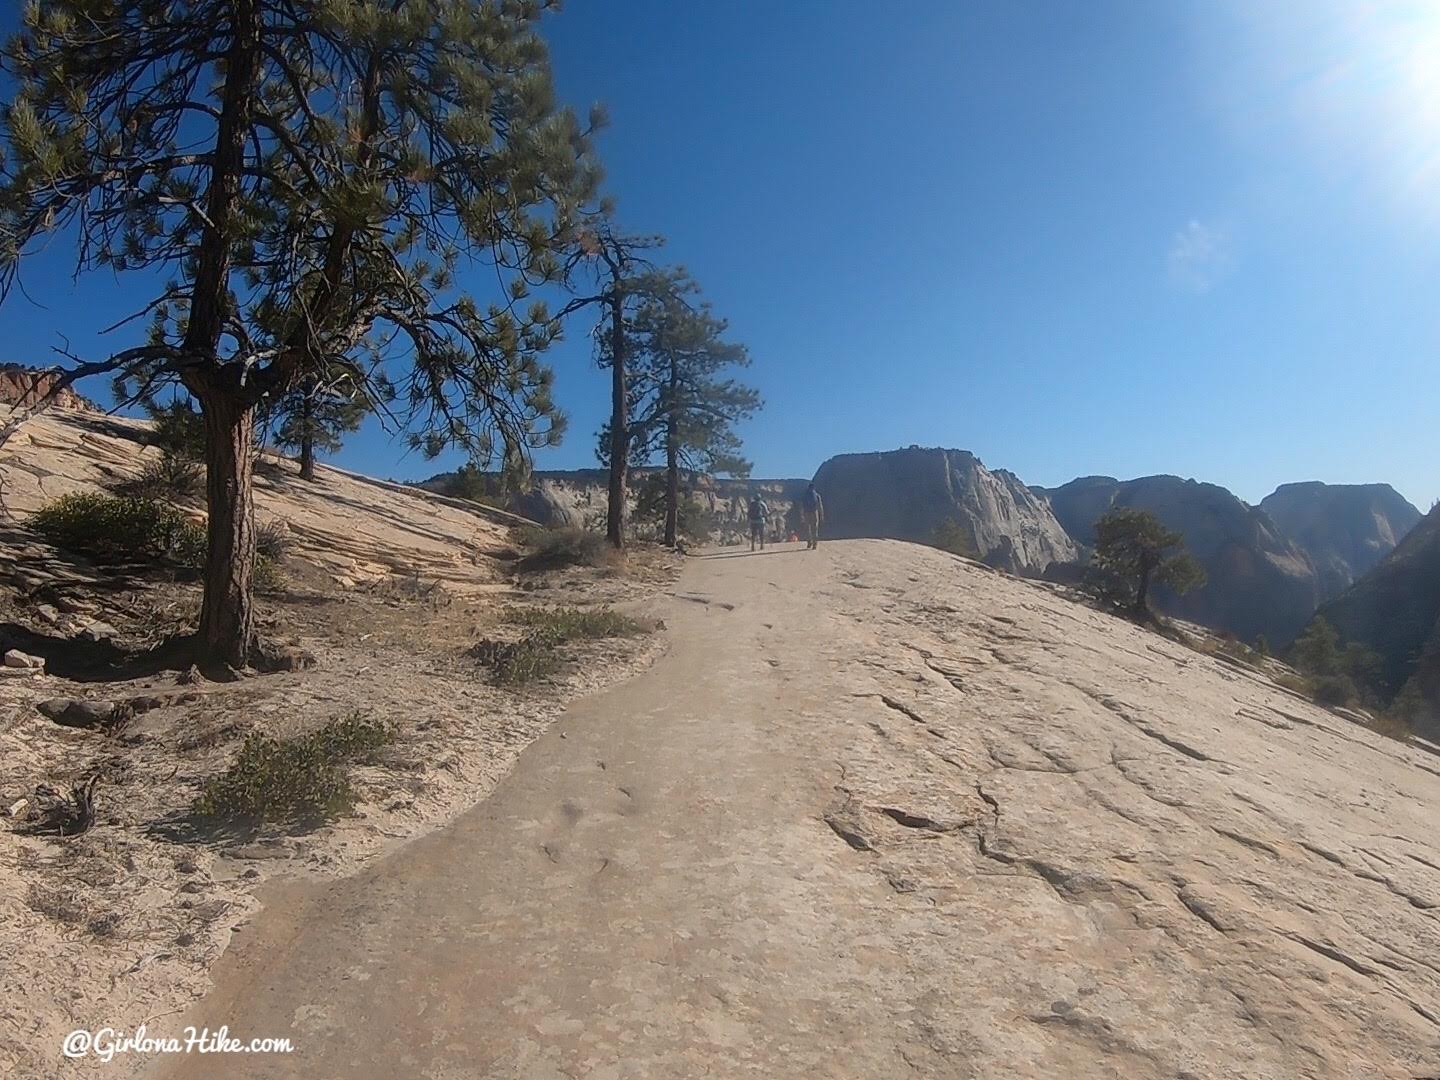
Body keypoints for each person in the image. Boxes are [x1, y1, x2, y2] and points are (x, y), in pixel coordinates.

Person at [801, 482, 824, 549]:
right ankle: (815, 544)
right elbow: (820, 506)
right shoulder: (817, 495)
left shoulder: (805, 495)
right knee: (814, 528)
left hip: (806, 513)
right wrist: (821, 514)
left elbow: (802, 505)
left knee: (808, 528)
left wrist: (802, 515)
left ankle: (809, 542)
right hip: (814, 512)